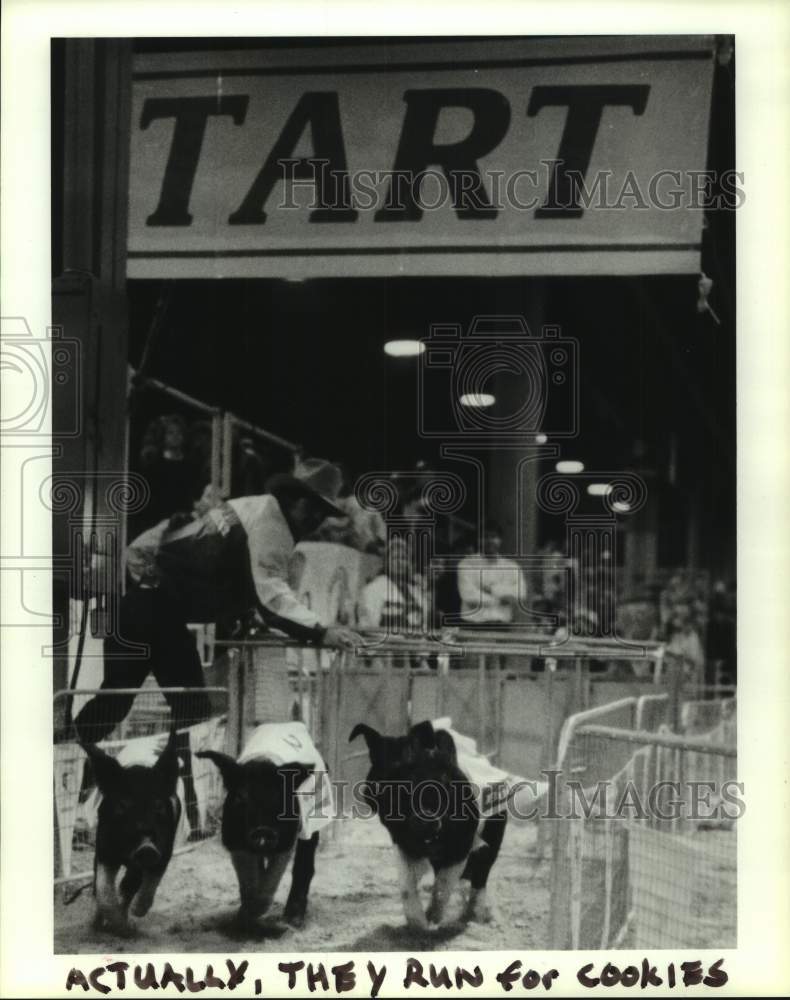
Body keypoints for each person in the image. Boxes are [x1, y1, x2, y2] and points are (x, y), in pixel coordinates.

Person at [74, 459, 362, 744]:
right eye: (312, 508)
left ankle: (65, 752)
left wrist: (240, 614)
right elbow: (270, 593)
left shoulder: (253, 508)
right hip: (155, 613)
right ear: (295, 498)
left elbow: (219, 572)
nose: (315, 519)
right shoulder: (271, 525)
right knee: (187, 712)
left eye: (322, 513)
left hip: (147, 609)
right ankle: (176, 777)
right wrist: (322, 630)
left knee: (118, 704)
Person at [456, 520, 526, 626]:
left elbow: (521, 594)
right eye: (485, 537)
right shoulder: (466, 564)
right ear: (479, 540)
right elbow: (468, 595)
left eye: (494, 537)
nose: (490, 541)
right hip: (473, 624)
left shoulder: (512, 566)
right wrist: (501, 600)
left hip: (503, 624)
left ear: (500, 540)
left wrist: (492, 589)